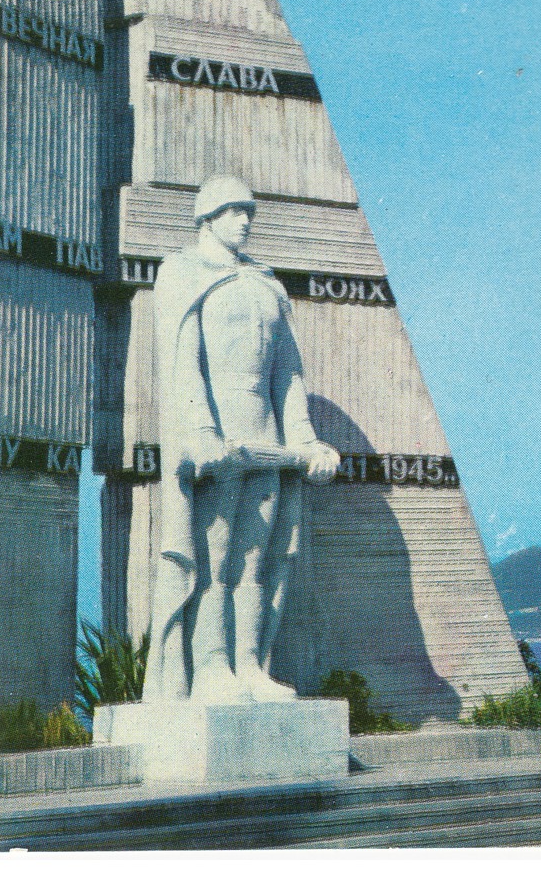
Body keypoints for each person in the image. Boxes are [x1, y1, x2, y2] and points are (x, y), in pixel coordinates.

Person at [143, 175, 340, 702]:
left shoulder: (266, 284)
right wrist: (203, 434)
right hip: (216, 438)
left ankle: (250, 664)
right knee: (213, 556)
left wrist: (305, 439)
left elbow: (288, 375)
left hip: (267, 438)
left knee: (257, 559)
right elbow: (185, 363)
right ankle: (210, 670)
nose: (244, 221)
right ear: (207, 217)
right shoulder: (182, 273)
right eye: (233, 211)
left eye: (248, 211)